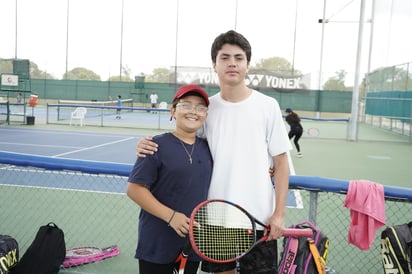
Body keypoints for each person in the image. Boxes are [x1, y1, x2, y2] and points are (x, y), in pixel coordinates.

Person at [136, 30, 292, 274]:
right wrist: (145, 144)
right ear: (214, 64)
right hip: (215, 220)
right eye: (225, 57)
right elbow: (184, 141)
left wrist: (279, 214)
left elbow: (281, 163)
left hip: (260, 219)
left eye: (239, 58)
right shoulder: (206, 108)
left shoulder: (268, 106)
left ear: (247, 65)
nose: (232, 63)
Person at [127, 84, 213, 274]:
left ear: (206, 115)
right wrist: (171, 217)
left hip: (192, 243)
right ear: (173, 111)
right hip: (157, 243)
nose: (193, 112)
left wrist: (269, 170)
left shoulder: (210, 148)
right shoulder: (154, 145)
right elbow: (134, 189)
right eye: (186, 105)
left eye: (200, 107)